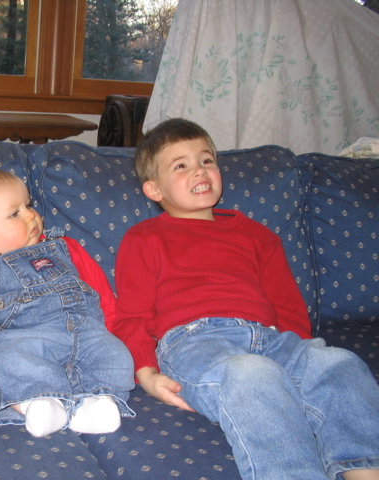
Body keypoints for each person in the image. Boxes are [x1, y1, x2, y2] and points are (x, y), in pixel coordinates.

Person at [112, 118, 379, 480]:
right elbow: (133, 315)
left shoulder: (257, 236)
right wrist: (147, 375)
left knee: (340, 364)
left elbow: (288, 307)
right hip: (195, 343)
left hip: (271, 339)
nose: (199, 171)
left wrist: (300, 360)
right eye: (181, 166)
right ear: (154, 190)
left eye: (206, 160)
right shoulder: (144, 238)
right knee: (254, 374)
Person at [0, 168, 135, 438]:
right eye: (14, 213)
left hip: (87, 333)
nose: (31, 215)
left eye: (28, 205)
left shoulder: (67, 248)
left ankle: (98, 403)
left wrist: (114, 333)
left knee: (117, 356)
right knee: (6, 358)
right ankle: (39, 403)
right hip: (25, 340)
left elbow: (101, 295)